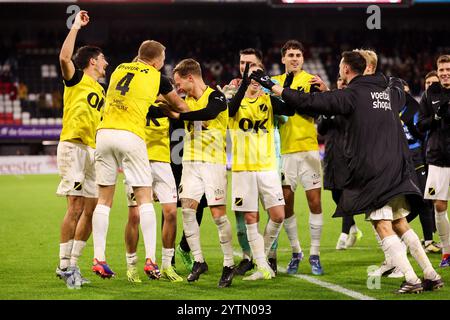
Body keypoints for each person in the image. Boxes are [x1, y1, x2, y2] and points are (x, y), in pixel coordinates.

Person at [251, 50, 443, 294]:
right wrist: (390, 79)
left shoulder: (351, 94)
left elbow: (307, 103)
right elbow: (397, 91)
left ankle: (411, 278)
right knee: (400, 222)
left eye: (341, 67)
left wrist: (272, 86)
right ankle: (431, 274)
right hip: (398, 165)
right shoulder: (387, 92)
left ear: (345, 70)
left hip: (374, 170)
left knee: (382, 224)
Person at [91, 40, 189, 280]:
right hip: (130, 135)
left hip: (104, 134)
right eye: (163, 60)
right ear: (156, 61)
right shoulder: (158, 77)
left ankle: (99, 258)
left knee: (104, 200)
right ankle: (151, 261)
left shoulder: (119, 69)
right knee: (145, 200)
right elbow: (180, 107)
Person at [55, 10, 108, 289]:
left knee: (91, 208)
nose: (106, 63)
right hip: (73, 147)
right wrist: (75, 26)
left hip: (92, 151)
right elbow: (64, 58)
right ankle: (63, 265)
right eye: (103, 59)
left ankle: (73, 265)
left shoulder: (101, 90)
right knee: (75, 206)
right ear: (92, 61)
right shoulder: (75, 79)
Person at [172, 58, 235, 288]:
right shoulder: (185, 101)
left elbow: (208, 114)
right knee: (187, 212)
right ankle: (198, 260)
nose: (178, 88)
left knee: (218, 215)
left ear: (191, 77)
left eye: (180, 83)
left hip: (213, 164)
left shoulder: (216, 96)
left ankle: (229, 265)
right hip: (190, 163)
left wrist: (179, 115)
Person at [228, 62, 292, 280]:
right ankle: (262, 266)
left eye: (257, 78)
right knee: (251, 217)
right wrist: (242, 86)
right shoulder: (234, 102)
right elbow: (230, 110)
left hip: (267, 167)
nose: (254, 82)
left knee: (278, 215)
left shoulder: (268, 100)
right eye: (251, 78)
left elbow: (291, 109)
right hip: (243, 169)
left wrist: (271, 85)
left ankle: (261, 260)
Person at [271, 40, 325, 275]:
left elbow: (316, 109)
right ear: (282, 59)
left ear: (303, 59)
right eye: (290, 55)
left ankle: (315, 254)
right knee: (287, 202)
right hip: (285, 152)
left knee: (315, 202)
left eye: (298, 55)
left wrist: (324, 92)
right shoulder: (274, 84)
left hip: (309, 148)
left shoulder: (311, 81)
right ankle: (296, 251)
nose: (294, 58)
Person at [124, 101, 182, 283]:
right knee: (134, 216)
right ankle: (132, 266)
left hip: (162, 162)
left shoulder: (167, 102)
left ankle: (166, 265)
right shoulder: (136, 97)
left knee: (171, 213)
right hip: (137, 161)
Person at [221, 48, 264, 276]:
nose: (245, 67)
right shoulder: (232, 87)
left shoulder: (268, 90)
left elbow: (284, 117)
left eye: (250, 63)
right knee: (241, 216)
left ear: (260, 66)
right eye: (242, 63)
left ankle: (268, 258)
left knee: (270, 213)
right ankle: (248, 257)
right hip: (240, 160)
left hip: (267, 160)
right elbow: (228, 112)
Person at [317, 76, 363, 250]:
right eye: (339, 81)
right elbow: (321, 130)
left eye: (344, 80)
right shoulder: (330, 102)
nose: (342, 83)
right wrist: (327, 114)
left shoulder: (352, 101)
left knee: (346, 194)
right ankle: (353, 228)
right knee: (335, 194)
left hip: (348, 154)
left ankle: (344, 233)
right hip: (331, 155)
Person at [400, 81, 440, 254]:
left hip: (417, 157)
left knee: (424, 200)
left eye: (407, 91)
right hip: (400, 160)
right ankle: (398, 233)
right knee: (410, 203)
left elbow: (421, 133)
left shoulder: (414, 109)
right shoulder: (389, 110)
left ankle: (428, 240)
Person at [418, 54, 450, 268]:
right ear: (437, 73)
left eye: (448, 71)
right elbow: (420, 124)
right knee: (439, 205)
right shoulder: (431, 94)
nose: (445, 74)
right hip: (438, 157)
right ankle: (447, 252)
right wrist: (436, 118)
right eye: (442, 71)